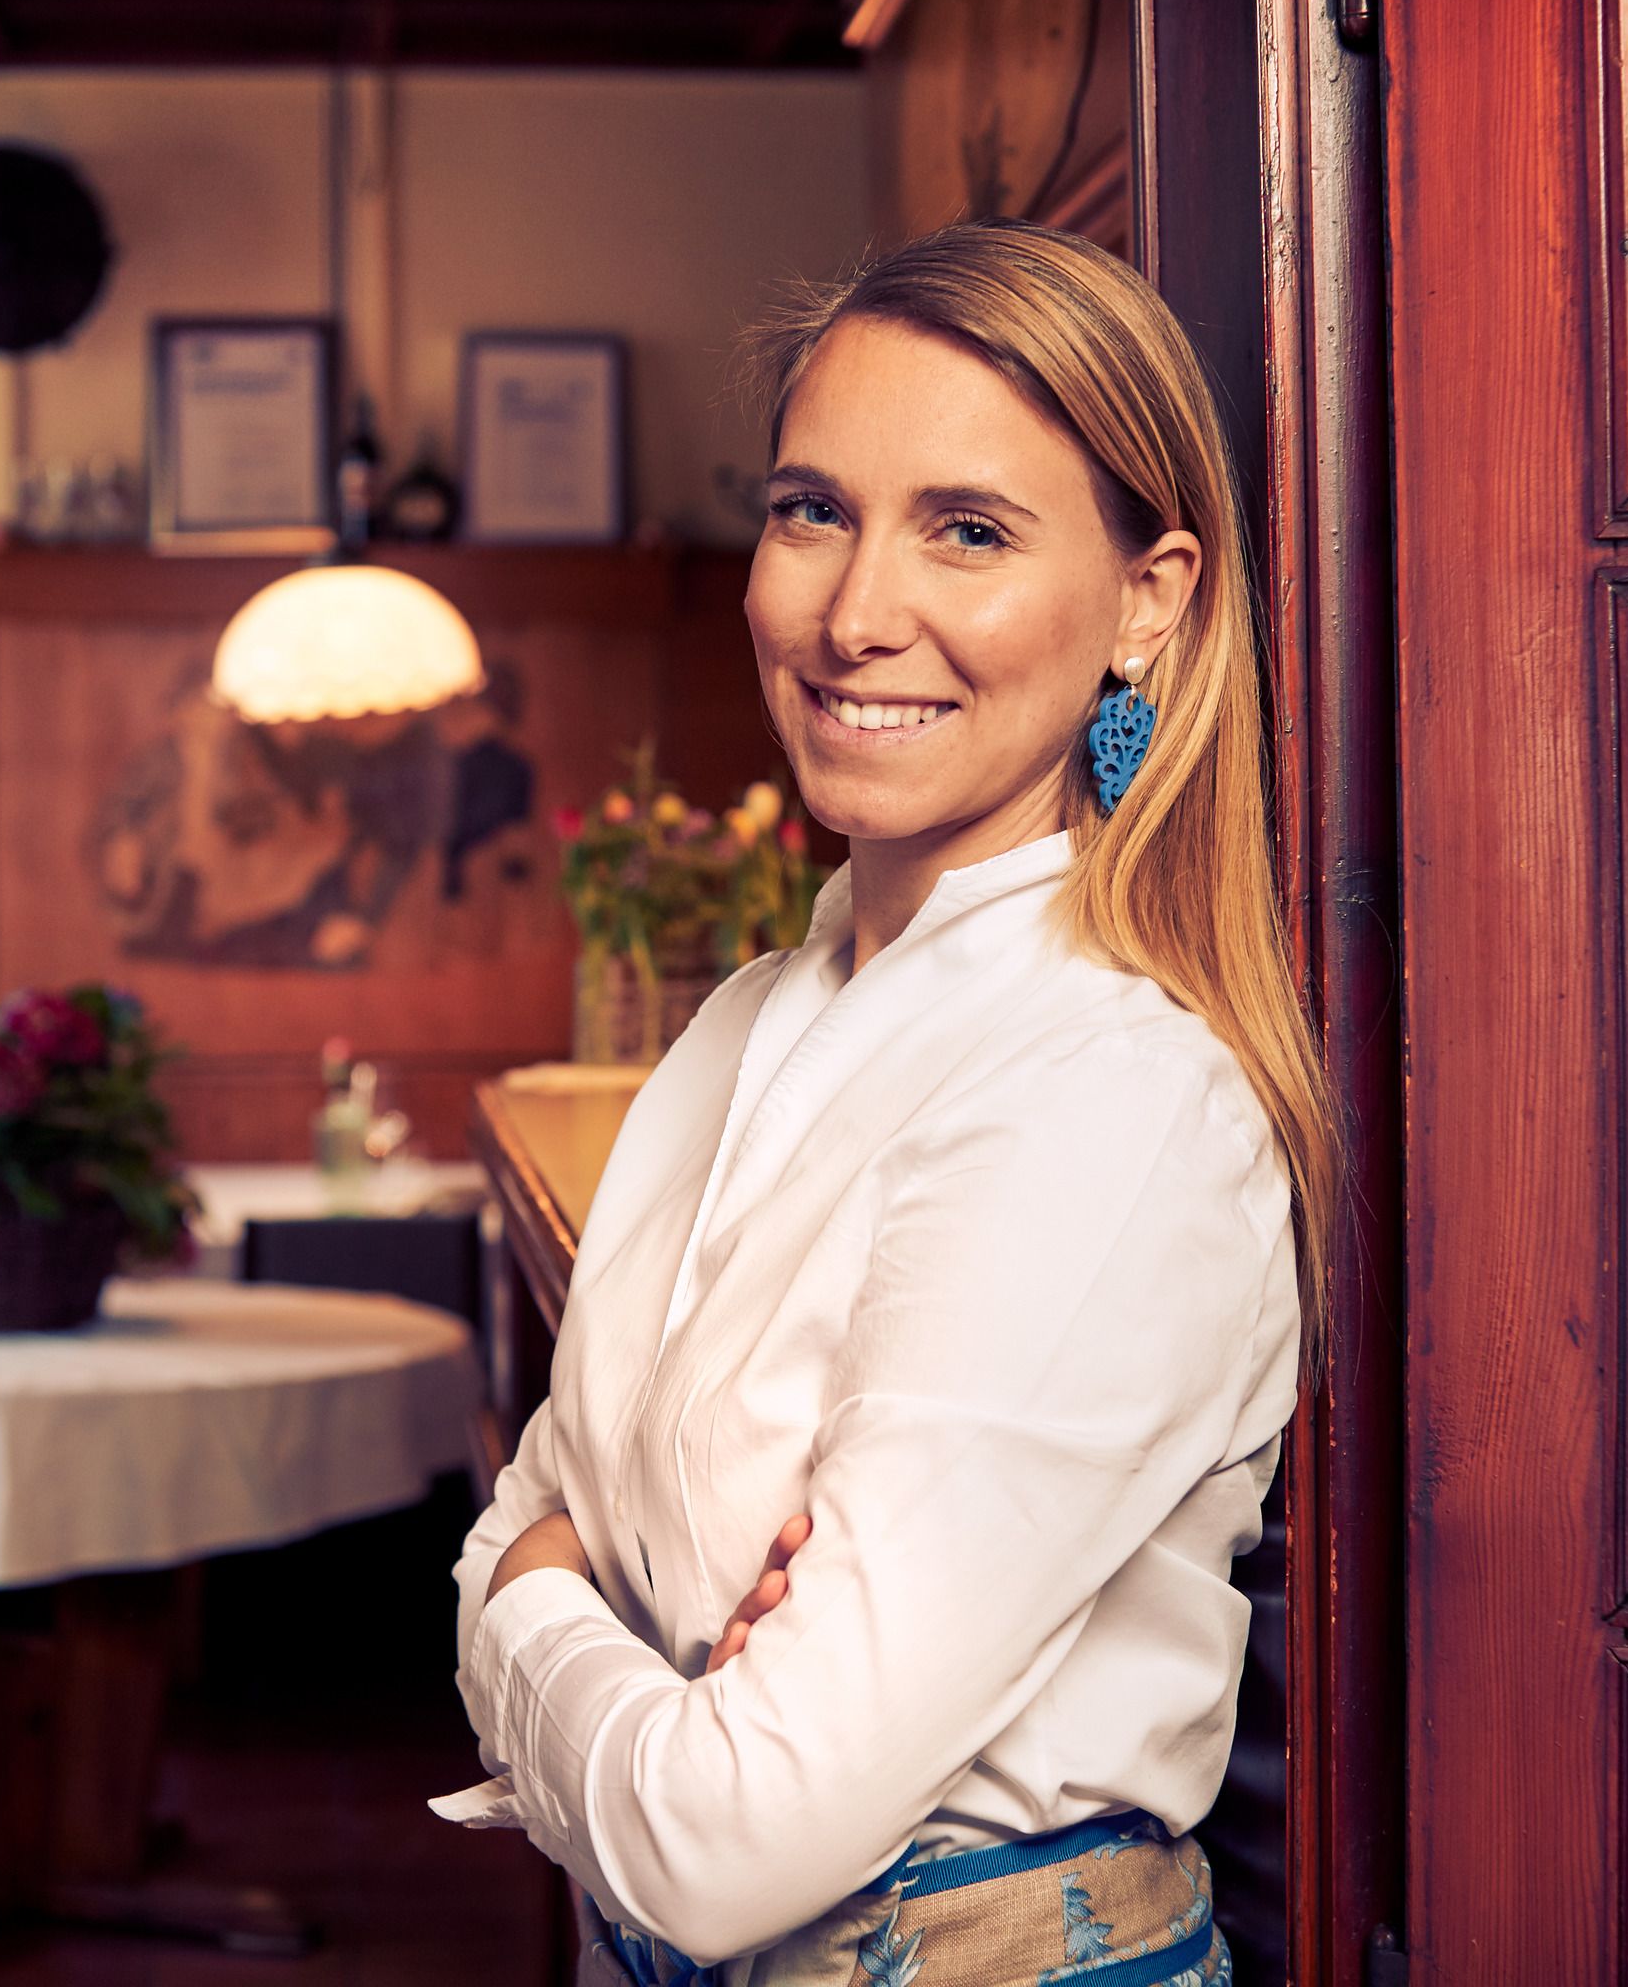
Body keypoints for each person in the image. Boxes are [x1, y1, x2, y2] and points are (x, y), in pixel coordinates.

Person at [440, 222, 1339, 1985]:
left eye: (972, 530)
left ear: (1149, 599)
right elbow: (540, 1508)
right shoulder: (745, 1024)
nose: (857, 613)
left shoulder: (1112, 1091)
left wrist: (535, 1594)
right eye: (811, 510)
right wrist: (607, 1598)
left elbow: (716, 1841)